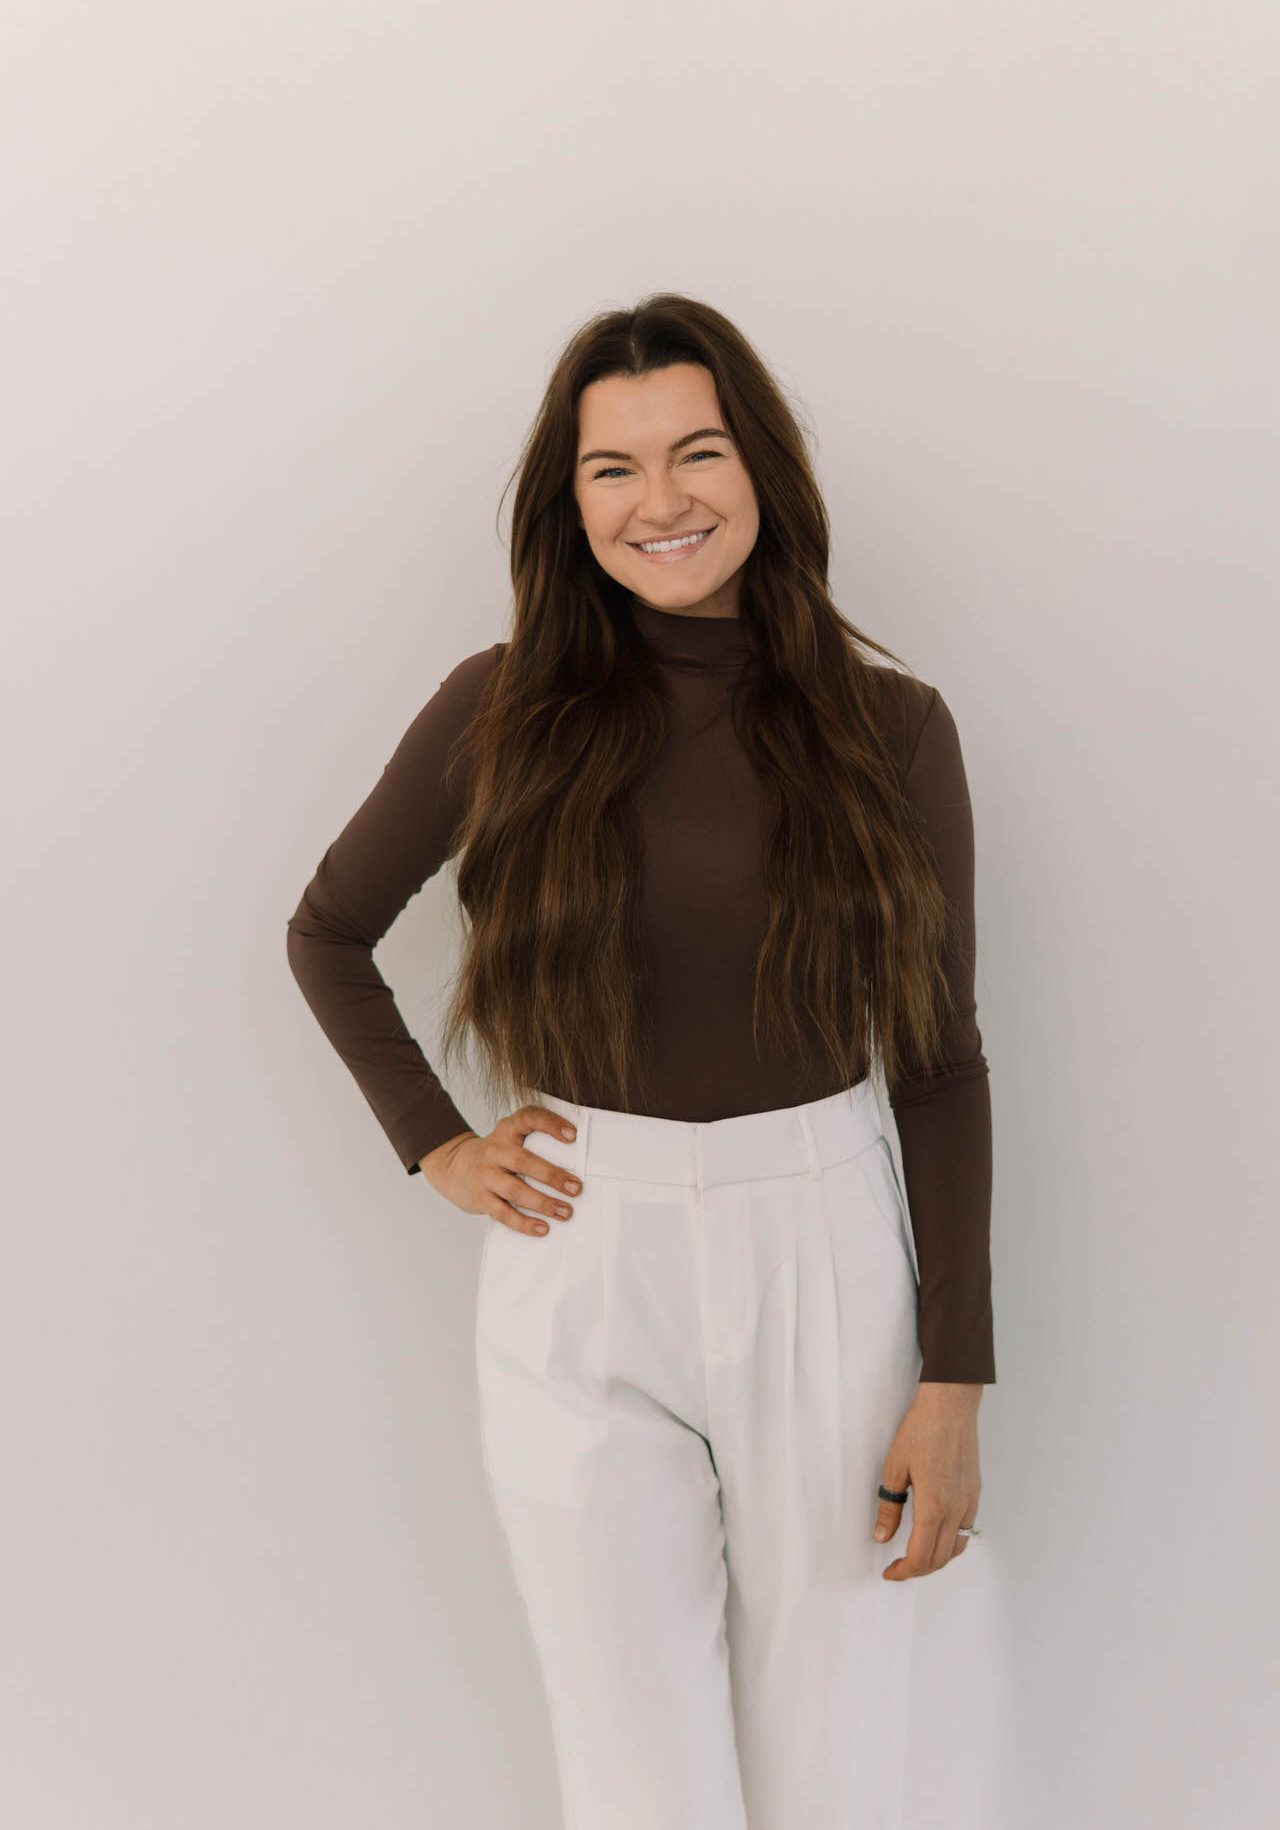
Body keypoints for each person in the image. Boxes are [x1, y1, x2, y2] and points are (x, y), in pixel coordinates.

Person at [286, 292, 994, 1830]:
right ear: (570, 499)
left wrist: (956, 1376)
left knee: (835, 1760)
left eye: (697, 452)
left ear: (765, 474)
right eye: (614, 468)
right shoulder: (503, 711)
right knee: (633, 1776)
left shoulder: (894, 727)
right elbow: (327, 929)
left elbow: (938, 1064)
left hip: (821, 1247)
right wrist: (439, 1141)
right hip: (579, 1257)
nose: (660, 500)